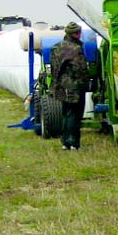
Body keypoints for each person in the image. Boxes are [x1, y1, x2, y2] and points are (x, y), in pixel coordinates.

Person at [51, 21, 89, 150]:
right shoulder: (75, 49)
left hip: (61, 86)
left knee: (66, 113)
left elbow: (54, 69)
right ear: (77, 34)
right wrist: (85, 84)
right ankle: (73, 142)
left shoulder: (56, 47)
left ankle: (65, 142)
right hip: (74, 86)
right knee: (75, 114)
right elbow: (80, 69)